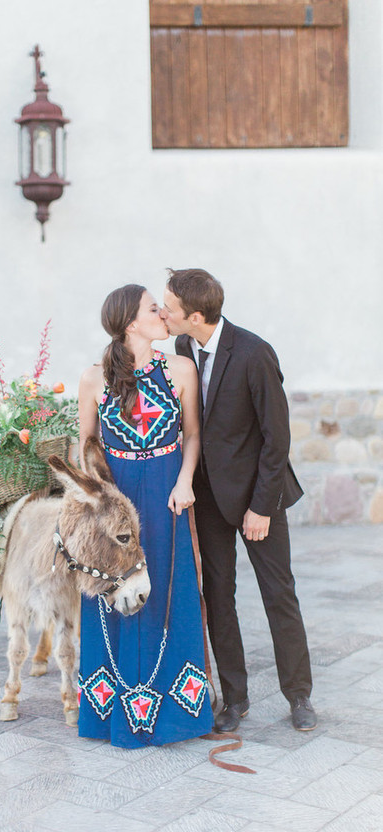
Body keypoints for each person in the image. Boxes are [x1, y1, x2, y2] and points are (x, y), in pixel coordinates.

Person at [160, 268, 316, 733]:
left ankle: (299, 696)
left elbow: (276, 439)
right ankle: (235, 698)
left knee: (278, 595)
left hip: (257, 496)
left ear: (195, 314)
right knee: (218, 598)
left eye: (169, 307)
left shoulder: (253, 353)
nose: (163, 313)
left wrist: (261, 508)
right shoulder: (184, 347)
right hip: (207, 496)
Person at [77, 283, 213, 747]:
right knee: (114, 585)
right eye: (153, 308)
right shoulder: (94, 378)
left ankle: (178, 713)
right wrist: (99, 504)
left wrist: (184, 481)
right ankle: (109, 712)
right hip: (116, 500)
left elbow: (192, 434)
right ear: (132, 322)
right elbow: (87, 446)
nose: (162, 313)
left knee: (170, 587)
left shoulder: (180, 370)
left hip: (165, 491)